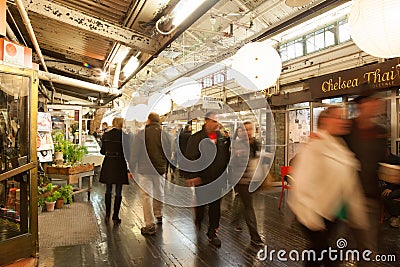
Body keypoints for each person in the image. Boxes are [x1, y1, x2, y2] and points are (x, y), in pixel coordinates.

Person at [288, 106, 369, 266]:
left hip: (332, 212)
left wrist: (357, 212)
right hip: (315, 213)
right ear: (325, 121)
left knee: (320, 254)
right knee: (322, 254)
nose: (343, 121)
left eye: (343, 117)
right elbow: (303, 182)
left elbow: (349, 181)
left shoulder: (339, 146)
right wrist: (311, 217)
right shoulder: (316, 146)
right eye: (338, 117)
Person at [344, 91, 387, 254]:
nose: (375, 105)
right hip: (345, 196)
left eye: (375, 102)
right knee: (336, 245)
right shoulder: (347, 130)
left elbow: (382, 160)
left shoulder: (380, 132)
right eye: (370, 101)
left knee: (368, 247)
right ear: (360, 105)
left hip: (370, 197)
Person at [185, 111, 230, 248]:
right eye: (214, 121)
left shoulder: (222, 138)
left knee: (215, 207)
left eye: (218, 122)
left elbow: (225, 158)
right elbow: (190, 157)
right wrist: (192, 176)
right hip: (202, 179)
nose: (217, 124)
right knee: (201, 205)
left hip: (217, 179)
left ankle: (212, 232)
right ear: (207, 121)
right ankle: (198, 219)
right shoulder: (196, 138)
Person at [129, 112, 171, 236]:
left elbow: (135, 152)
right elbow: (169, 152)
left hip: (144, 169)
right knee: (159, 192)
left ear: (148, 120)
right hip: (159, 169)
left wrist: (131, 168)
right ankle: (159, 214)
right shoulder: (165, 135)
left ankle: (149, 224)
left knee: (146, 196)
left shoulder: (142, 134)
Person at [229, 122, 263, 247]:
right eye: (245, 130)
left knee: (243, 204)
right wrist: (237, 155)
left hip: (253, 180)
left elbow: (259, 159)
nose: (248, 132)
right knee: (249, 207)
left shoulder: (255, 143)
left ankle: (235, 221)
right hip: (242, 181)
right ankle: (255, 236)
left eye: (250, 129)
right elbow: (231, 163)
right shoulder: (237, 144)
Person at [99, 117, 132, 225]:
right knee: (118, 190)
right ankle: (115, 215)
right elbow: (128, 153)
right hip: (119, 163)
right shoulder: (125, 137)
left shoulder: (106, 134)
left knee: (108, 189)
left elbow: (102, 151)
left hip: (108, 162)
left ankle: (107, 213)